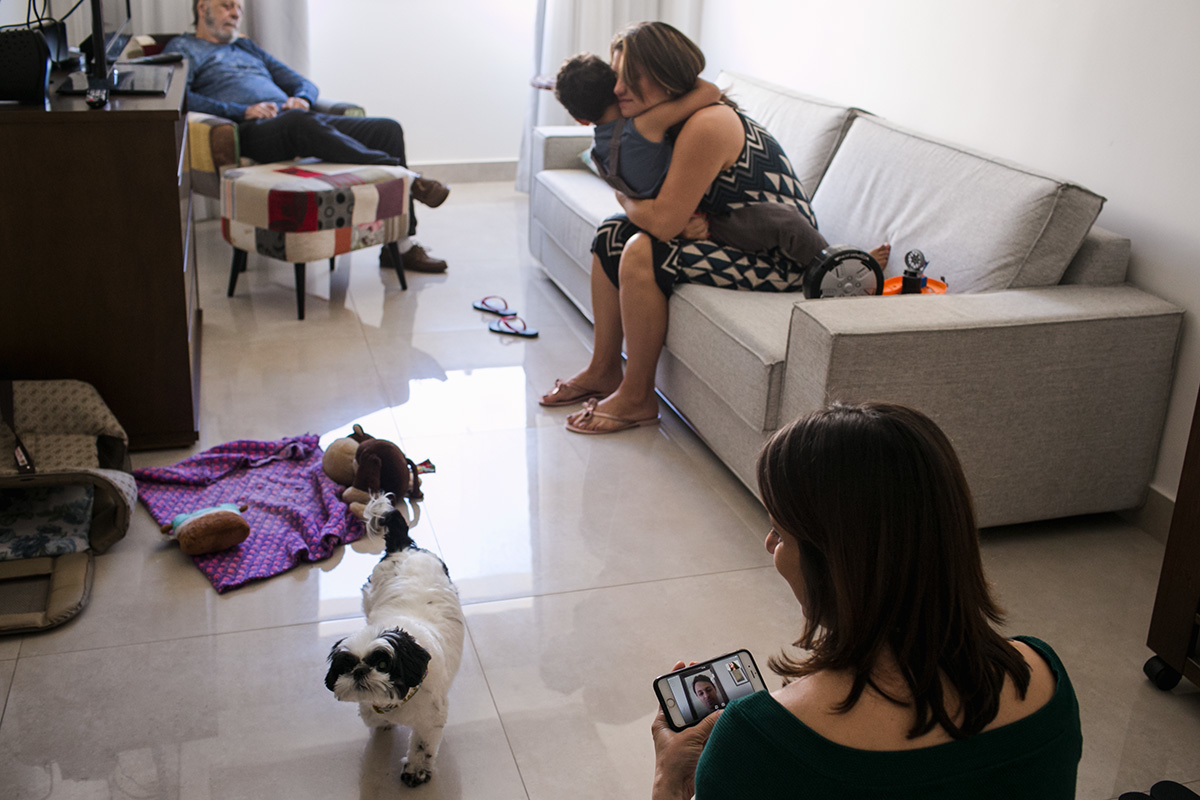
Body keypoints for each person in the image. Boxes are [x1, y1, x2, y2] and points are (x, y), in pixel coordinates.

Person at [650, 402, 1083, 800]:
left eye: (780, 533)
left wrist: (668, 784)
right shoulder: (1045, 679)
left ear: (832, 562)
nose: (769, 545)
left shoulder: (752, 742)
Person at [539, 22, 884, 432]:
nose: (618, 89)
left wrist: (627, 199)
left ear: (667, 74)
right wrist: (642, 209)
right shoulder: (663, 120)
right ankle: (603, 369)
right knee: (611, 234)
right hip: (728, 236)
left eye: (632, 76)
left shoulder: (707, 123)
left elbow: (664, 224)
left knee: (643, 250)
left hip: (780, 257)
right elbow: (668, 212)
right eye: (618, 76)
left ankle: (637, 397)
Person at [165, 0, 450, 273]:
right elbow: (181, 96)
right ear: (203, 8)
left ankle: (399, 246)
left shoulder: (245, 47)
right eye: (226, 5)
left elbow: (303, 83)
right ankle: (405, 177)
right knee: (297, 122)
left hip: (297, 119)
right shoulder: (184, 47)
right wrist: (242, 110)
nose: (235, 13)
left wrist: (301, 98)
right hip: (253, 131)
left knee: (386, 129)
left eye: (238, 8)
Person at [553, 53, 886, 270]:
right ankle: (840, 270)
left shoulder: (598, 154)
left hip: (681, 214)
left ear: (581, 121)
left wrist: (630, 202)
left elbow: (635, 193)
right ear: (616, 88)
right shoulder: (647, 124)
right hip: (697, 218)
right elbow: (709, 91)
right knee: (786, 223)